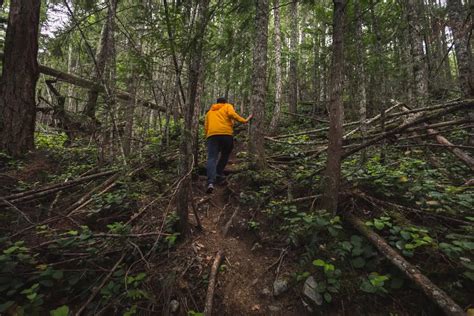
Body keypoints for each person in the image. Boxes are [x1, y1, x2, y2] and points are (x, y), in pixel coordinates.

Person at [204, 97, 252, 193]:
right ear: (225, 102)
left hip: (212, 135)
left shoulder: (209, 112)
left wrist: (207, 137)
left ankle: (210, 182)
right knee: (225, 153)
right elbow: (231, 114)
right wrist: (244, 120)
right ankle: (218, 173)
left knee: (212, 158)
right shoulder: (227, 106)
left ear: (216, 103)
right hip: (226, 134)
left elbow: (206, 126)